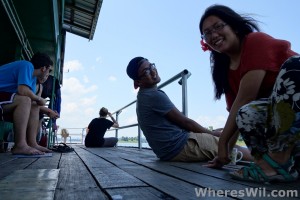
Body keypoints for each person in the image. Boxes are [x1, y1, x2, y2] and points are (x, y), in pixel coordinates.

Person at [199, 4, 300, 182]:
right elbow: (236, 113)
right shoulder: (226, 73)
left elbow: (247, 96)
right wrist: (225, 154)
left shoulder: (255, 41)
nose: (213, 35)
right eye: (207, 33)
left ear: (235, 27)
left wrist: (222, 142)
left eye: (218, 26)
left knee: (295, 65)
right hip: (284, 134)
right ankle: (274, 166)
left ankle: (276, 161)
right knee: (246, 113)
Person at [126, 56, 252, 162]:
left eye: (152, 66)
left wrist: (212, 132)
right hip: (179, 147)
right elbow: (185, 122)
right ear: (137, 83)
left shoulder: (144, 96)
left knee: (222, 131)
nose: (153, 72)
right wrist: (213, 134)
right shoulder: (154, 95)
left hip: (167, 150)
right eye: (146, 72)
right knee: (228, 144)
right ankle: (267, 160)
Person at [0, 52, 53, 155]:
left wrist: (43, 106)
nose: (48, 73)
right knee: (25, 100)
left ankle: (32, 143)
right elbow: (22, 90)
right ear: (43, 68)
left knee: (34, 105)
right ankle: (20, 145)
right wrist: (38, 98)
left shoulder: (32, 80)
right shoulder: (27, 65)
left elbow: (33, 102)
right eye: (49, 70)